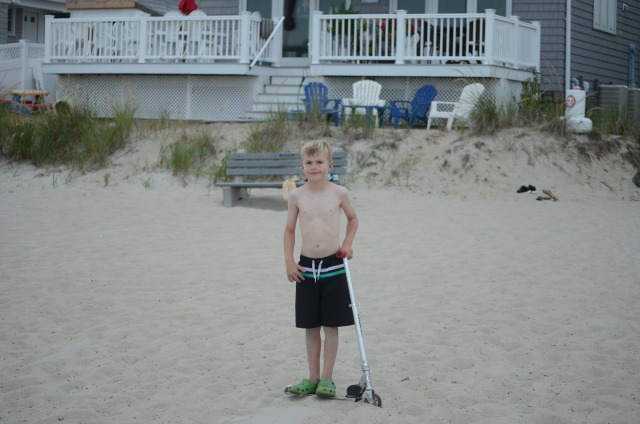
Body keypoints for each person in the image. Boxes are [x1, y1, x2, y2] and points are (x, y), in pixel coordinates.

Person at [284, 140, 358, 398]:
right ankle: (313, 377)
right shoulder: (296, 196)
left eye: (319, 162)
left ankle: (327, 378)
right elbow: (289, 230)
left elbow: (353, 219)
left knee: (331, 326)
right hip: (306, 268)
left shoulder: (339, 193)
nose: (314, 166)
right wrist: (289, 261)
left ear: (330, 165)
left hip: (333, 267)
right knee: (311, 326)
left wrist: (347, 244)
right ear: (302, 166)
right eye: (309, 162)